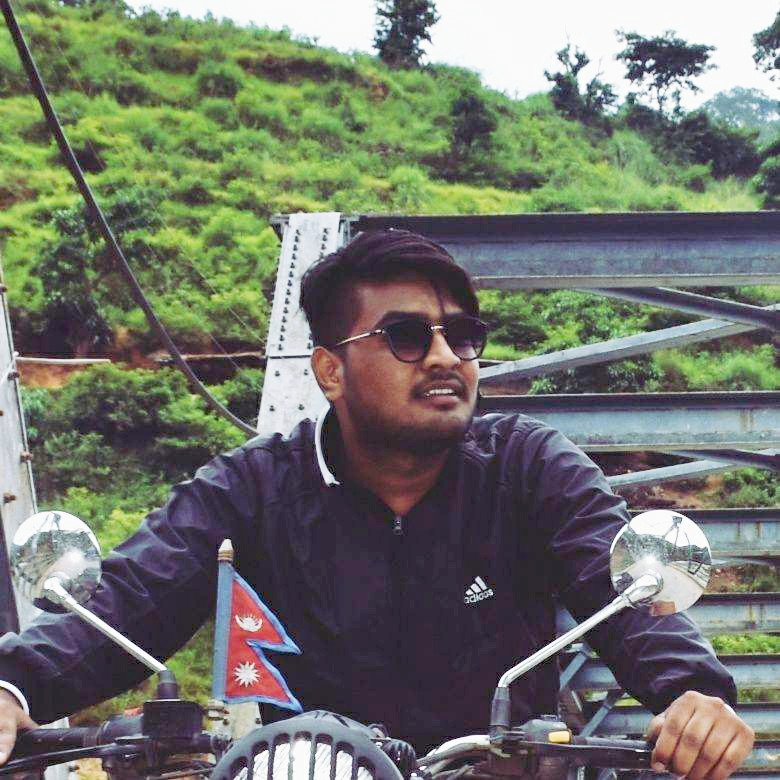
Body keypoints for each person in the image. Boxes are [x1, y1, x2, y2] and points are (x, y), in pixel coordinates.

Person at [0, 230, 754, 779]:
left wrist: (691, 692)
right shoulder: (254, 487)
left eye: (462, 336)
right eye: (405, 336)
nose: (444, 356)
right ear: (330, 370)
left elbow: (621, 589)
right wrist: (14, 686)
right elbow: (134, 598)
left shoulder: (528, 467)